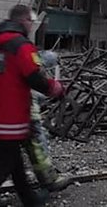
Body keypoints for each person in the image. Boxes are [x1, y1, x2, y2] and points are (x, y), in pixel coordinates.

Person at [0, 5, 65, 207]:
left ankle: (30, 200)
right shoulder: (20, 45)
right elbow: (33, 76)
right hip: (12, 116)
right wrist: (53, 88)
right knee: (3, 162)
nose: (32, 26)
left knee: (12, 160)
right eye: (31, 21)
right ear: (24, 21)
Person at [25, 50, 71, 192]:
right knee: (38, 138)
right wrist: (55, 89)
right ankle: (48, 179)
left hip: (6, 109)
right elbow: (39, 85)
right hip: (25, 108)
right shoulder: (31, 61)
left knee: (3, 145)